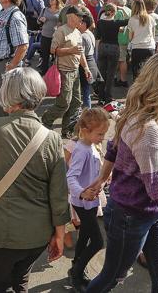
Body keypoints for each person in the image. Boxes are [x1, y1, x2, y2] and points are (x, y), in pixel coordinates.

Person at [84, 53, 158, 293]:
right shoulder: (148, 130)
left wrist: (102, 178)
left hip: (154, 212)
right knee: (113, 277)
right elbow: (156, 187)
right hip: (131, 216)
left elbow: (113, 148)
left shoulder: (137, 111)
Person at [0, 67, 70, 293]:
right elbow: (59, 195)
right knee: (21, 279)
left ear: (7, 95)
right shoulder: (52, 139)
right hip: (38, 234)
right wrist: (60, 235)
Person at [66, 107, 110, 290]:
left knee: (84, 236)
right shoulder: (81, 150)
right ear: (85, 131)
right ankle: (76, 274)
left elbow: (92, 170)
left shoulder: (90, 146)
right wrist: (82, 192)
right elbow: (71, 177)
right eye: (100, 134)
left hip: (90, 202)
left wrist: (103, 179)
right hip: (83, 203)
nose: (103, 138)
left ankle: (76, 267)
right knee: (98, 242)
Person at [42, 6, 92, 137]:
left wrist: (86, 68)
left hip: (74, 71)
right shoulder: (61, 31)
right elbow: (53, 51)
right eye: (79, 16)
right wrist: (71, 50)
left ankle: (67, 130)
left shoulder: (77, 32)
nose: (81, 19)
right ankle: (46, 120)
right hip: (64, 71)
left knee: (76, 103)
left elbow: (80, 53)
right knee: (64, 103)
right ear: (70, 17)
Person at [127, 0, 157, 81]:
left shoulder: (132, 19)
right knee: (149, 71)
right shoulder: (150, 18)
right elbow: (153, 34)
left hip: (137, 47)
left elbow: (130, 37)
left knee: (136, 72)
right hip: (150, 46)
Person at [78, 12, 99, 109]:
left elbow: (81, 53)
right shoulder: (90, 33)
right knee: (87, 89)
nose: (78, 24)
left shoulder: (82, 36)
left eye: (80, 22)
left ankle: (87, 110)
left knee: (85, 90)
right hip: (92, 61)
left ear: (84, 24)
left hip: (85, 62)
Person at [38, 0, 63, 75]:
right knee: (44, 55)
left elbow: (63, 23)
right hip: (45, 35)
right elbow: (38, 21)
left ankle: (55, 73)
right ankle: (44, 72)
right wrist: (41, 20)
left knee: (56, 56)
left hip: (56, 37)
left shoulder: (61, 11)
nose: (50, 0)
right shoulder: (45, 9)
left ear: (57, 0)